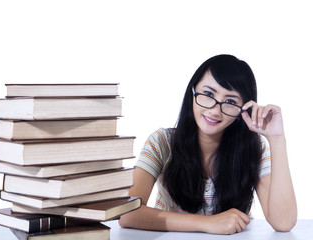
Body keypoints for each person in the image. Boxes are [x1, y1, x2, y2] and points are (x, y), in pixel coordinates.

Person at [119, 54, 297, 234]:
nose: (214, 110)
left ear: (244, 109)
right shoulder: (162, 142)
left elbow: (283, 223)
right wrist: (207, 223)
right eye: (208, 94)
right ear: (193, 91)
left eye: (230, 102)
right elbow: (126, 214)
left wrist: (277, 138)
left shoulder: (254, 148)